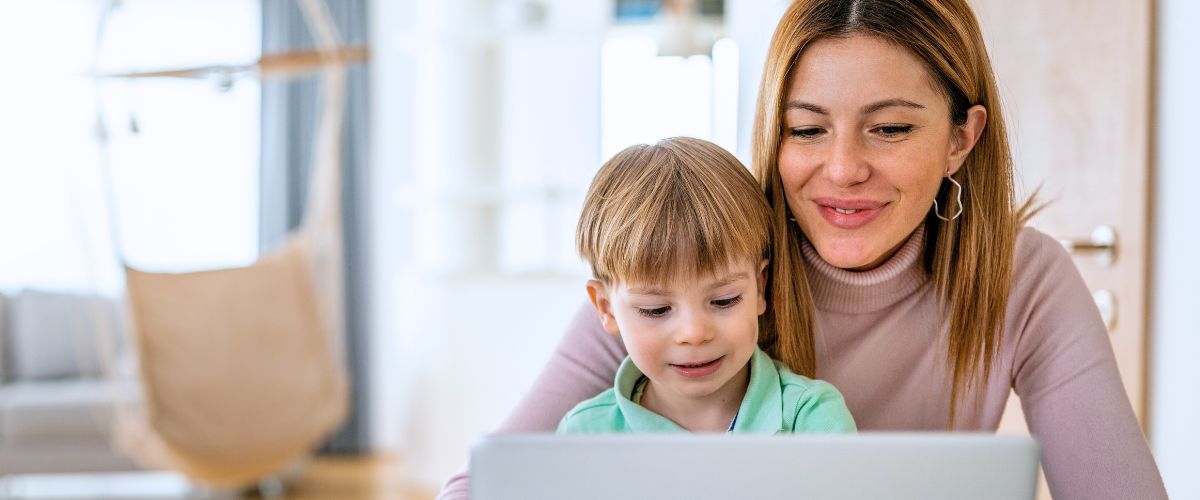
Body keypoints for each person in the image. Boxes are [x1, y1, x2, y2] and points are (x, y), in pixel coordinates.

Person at [437, 0, 1167, 498]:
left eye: (890, 129)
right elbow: (483, 485)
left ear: (959, 138)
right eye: (808, 129)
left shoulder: (1026, 279)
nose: (843, 168)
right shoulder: (702, 263)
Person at [558, 137, 855, 435]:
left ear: (760, 288)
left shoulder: (811, 418)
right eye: (656, 309)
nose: (695, 334)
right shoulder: (584, 432)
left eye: (725, 300)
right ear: (606, 308)